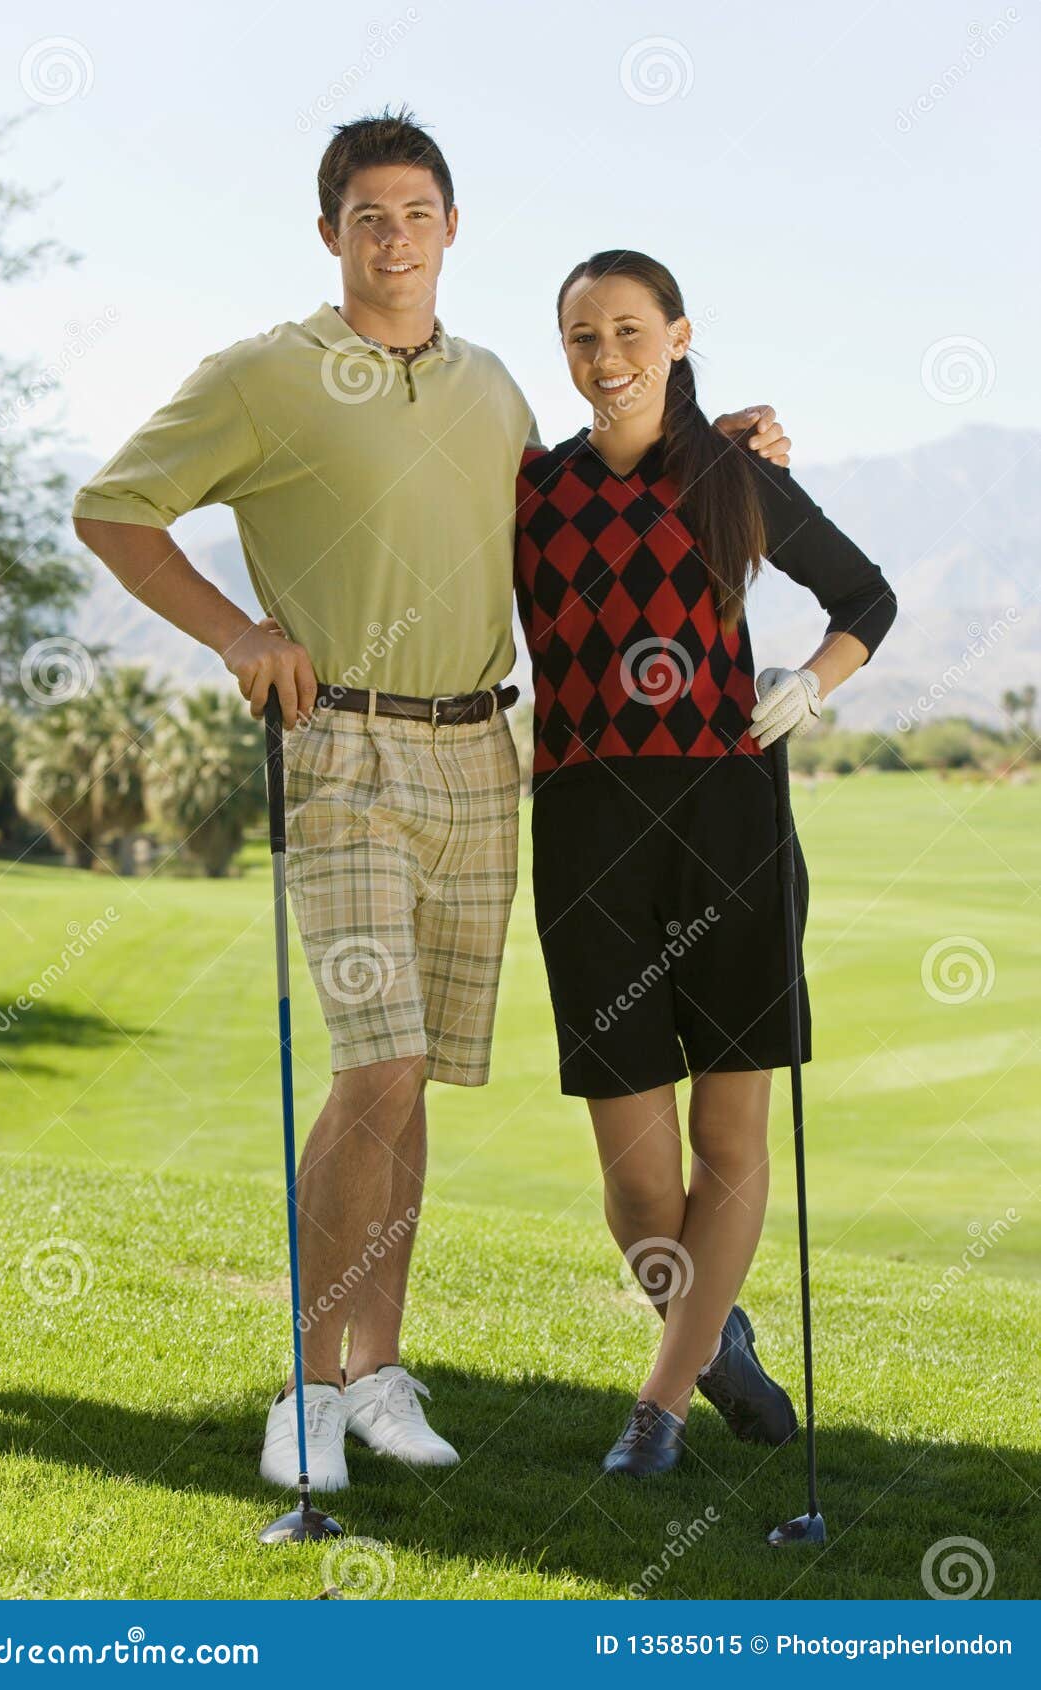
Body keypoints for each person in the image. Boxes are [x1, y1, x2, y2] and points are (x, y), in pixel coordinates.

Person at [71, 111, 790, 1497]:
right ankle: (310, 1379)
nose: (391, 236)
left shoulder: (494, 388)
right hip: (341, 746)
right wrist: (236, 634)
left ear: (451, 230)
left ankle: (381, 1371)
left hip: (483, 756)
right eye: (365, 216)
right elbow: (114, 508)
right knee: (375, 1069)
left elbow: (601, 481)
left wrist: (728, 435)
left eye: (415, 213)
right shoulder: (264, 374)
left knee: (417, 1091)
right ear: (329, 232)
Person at [515, 250, 897, 1477]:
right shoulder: (527, 488)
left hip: (729, 820)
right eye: (581, 335)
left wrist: (810, 683)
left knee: (728, 1137)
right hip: (584, 831)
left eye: (629, 329)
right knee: (635, 1182)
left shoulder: (736, 475)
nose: (605, 354)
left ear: (677, 336)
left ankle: (660, 1410)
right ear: (563, 351)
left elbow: (866, 595)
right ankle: (709, 1333)